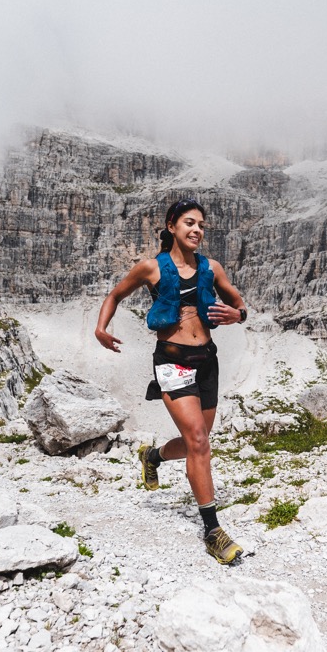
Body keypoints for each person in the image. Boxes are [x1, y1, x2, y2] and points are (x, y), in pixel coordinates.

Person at [95, 199, 249, 564]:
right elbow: (115, 294)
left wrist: (237, 314)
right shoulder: (150, 268)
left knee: (198, 441)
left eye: (201, 225)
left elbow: (239, 304)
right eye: (190, 223)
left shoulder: (211, 267)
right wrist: (101, 328)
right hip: (172, 362)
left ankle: (153, 455)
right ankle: (212, 531)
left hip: (207, 362)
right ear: (171, 226)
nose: (197, 230)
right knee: (198, 441)